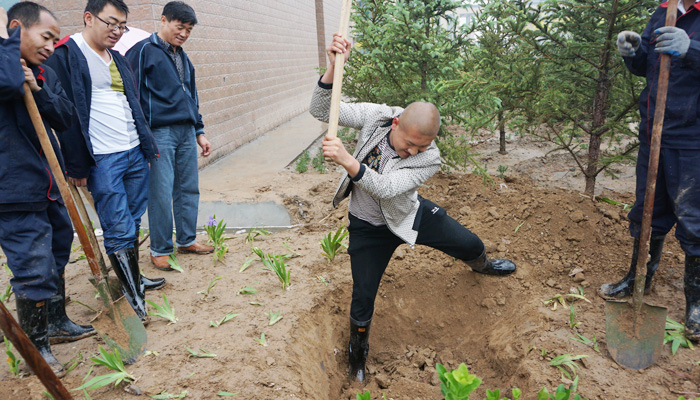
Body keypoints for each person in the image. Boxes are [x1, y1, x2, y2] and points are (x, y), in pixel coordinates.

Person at [310, 34, 517, 383]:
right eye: (409, 144)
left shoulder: (429, 157)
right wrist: (333, 66)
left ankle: (482, 265)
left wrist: (347, 160)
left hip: (407, 214)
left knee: (466, 242)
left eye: (422, 146)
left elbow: (388, 188)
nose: (414, 152)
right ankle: (357, 358)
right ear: (396, 124)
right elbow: (322, 110)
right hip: (366, 226)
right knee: (362, 296)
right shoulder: (377, 117)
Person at [44, 0, 165, 320]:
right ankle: (133, 299)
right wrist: (76, 164)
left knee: (132, 218)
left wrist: (145, 148)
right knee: (117, 226)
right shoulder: (65, 56)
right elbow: (64, 116)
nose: (117, 31)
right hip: (102, 158)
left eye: (122, 26)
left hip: (133, 152)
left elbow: (133, 105)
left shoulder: (119, 58)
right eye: (111, 23)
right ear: (88, 17)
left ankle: (133, 278)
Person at [0, 2, 95, 375]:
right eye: (45, 36)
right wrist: (9, 48)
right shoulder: (6, 64)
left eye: (56, 40)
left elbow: (64, 117)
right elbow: (7, 83)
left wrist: (38, 87)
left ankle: (55, 322)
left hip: (48, 185)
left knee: (56, 253)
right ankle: (35, 351)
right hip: (14, 189)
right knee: (33, 267)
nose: (51, 46)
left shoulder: (40, 72)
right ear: (15, 29)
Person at [600, 0, 700, 339]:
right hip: (654, 131)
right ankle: (636, 279)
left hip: (693, 138)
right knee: (648, 210)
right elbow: (649, 67)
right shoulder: (664, 10)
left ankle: (696, 305)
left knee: (693, 218)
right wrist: (633, 51)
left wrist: (693, 49)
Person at [125, 1, 213, 271]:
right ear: (163, 20)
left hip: (186, 131)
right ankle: (160, 248)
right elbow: (132, 96)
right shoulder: (142, 52)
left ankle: (186, 240)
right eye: (180, 26)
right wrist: (144, 137)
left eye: (189, 29)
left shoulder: (182, 56)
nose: (184, 33)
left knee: (188, 188)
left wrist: (199, 131)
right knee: (161, 191)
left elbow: (191, 95)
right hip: (159, 132)